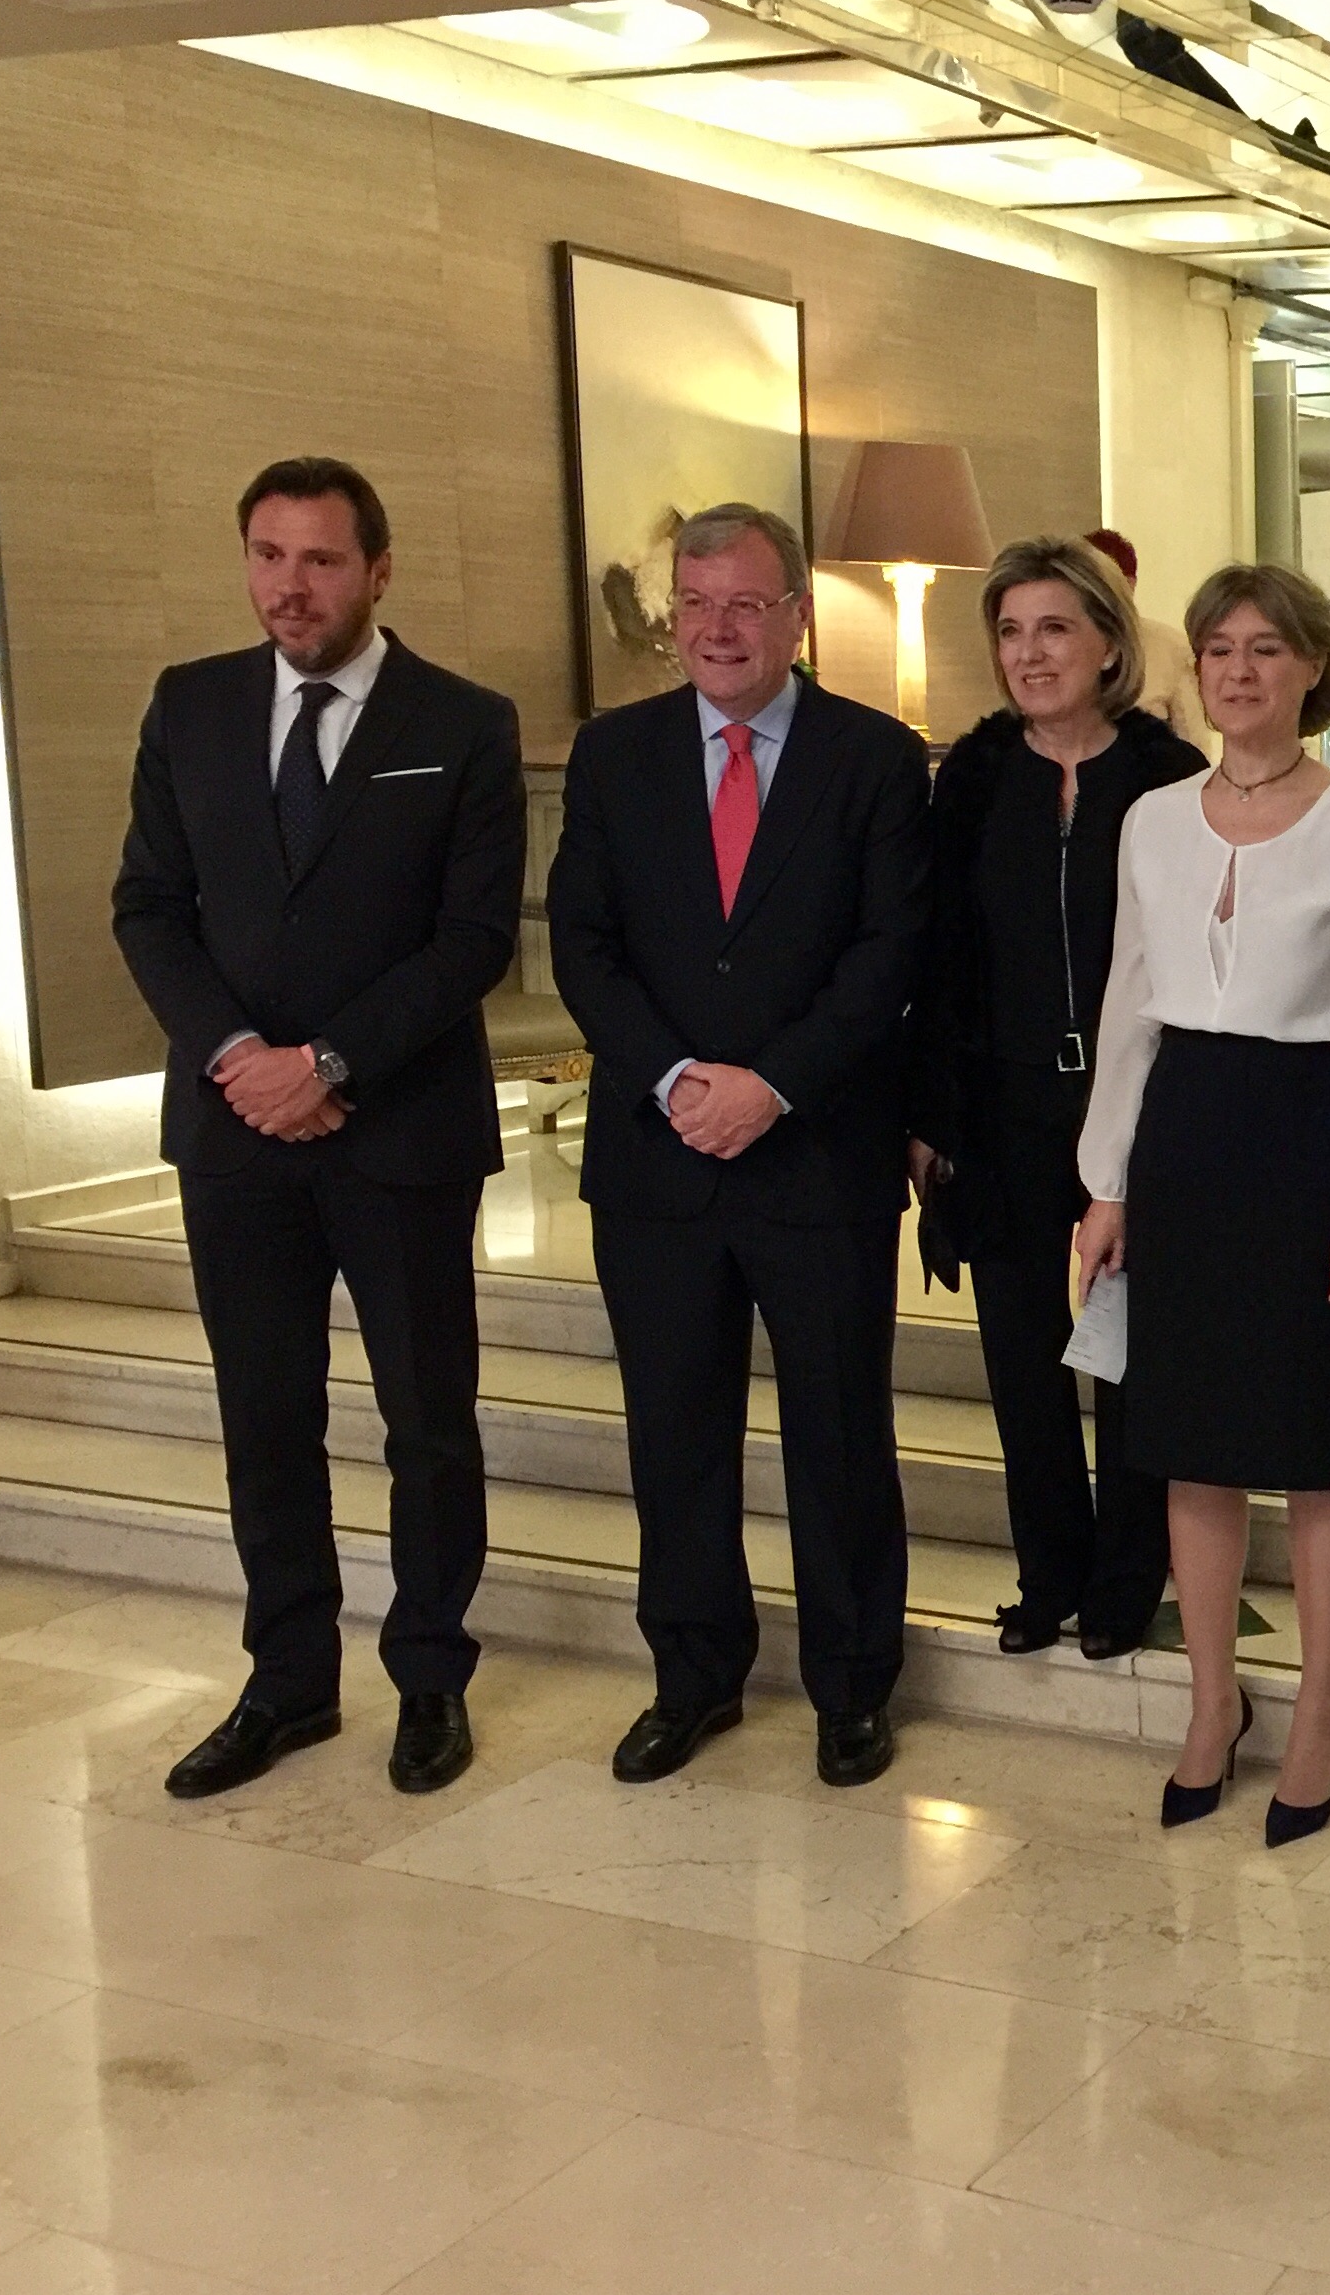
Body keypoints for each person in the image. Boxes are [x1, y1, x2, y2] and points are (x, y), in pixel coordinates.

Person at [113, 457, 524, 1804]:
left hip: (400, 1133)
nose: (290, 587)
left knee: (428, 1424)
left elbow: (473, 939)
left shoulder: (464, 722)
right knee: (265, 1418)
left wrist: (332, 1062)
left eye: (322, 560)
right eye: (268, 555)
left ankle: (430, 1678)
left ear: (378, 570)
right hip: (235, 1133)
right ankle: (288, 1682)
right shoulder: (190, 706)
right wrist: (242, 1060)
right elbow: (149, 908)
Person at [548, 502, 929, 1790]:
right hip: (656, 1163)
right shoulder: (614, 755)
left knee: (840, 1432)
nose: (717, 629)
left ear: (796, 618)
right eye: (696, 605)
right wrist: (672, 1080)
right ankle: (693, 1673)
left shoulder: (876, 758)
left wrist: (772, 1086)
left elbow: (889, 954)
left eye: (746, 605)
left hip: (816, 1157)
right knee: (674, 1431)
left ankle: (852, 1686)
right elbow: (582, 944)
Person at [1075, 563, 1330, 1843]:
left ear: (1314, 668)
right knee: (1190, 1442)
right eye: (1219, 649)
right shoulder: (1152, 819)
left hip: (1304, 1132)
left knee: (1312, 1447)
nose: (1240, 671)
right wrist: (1105, 1182)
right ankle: (1214, 1700)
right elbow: (1127, 1002)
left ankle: (1319, 1708)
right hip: (1182, 1138)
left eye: (1267, 648)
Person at [909, 538, 1205, 1663]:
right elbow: (940, 956)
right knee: (1022, 1356)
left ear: (1108, 644)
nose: (1030, 654)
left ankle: (1127, 1578)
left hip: (1138, 1104)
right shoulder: (975, 777)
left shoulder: (1170, 774)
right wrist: (931, 1115)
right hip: (1003, 1109)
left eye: (1054, 629)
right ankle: (1048, 1573)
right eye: (1011, 632)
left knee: (1129, 1352)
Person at [1087, 528, 1214, 754]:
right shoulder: (1053, 647)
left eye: (1102, 582)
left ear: (1130, 584)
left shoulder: (1170, 648)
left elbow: (1193, 741)